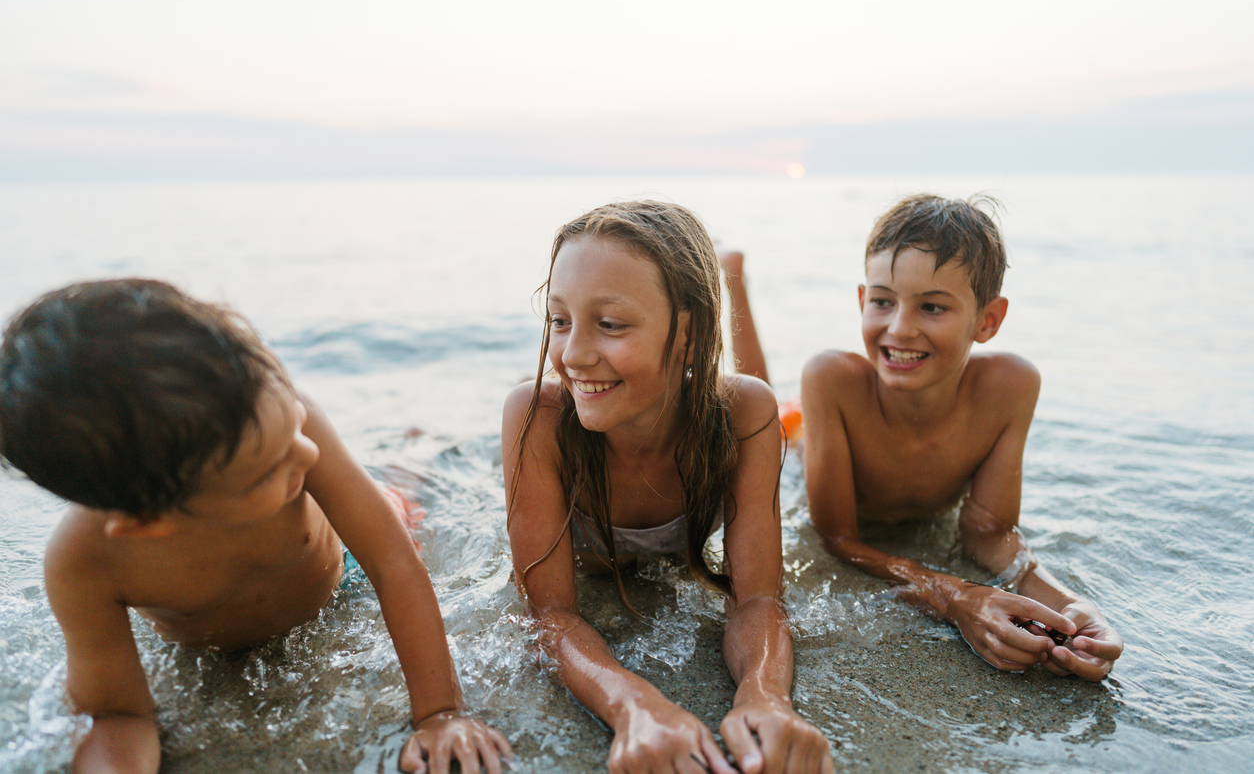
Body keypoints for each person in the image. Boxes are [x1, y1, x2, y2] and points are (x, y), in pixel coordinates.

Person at [0, 279, 512, 774]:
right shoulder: (84, 564)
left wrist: (440, 714)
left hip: (349, 566)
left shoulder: (295, 424)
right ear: (148, 523)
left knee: (400, 496)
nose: (307, 453)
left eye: (290, 424)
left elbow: (393, 562)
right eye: (269, 468)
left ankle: (414, 453)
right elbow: (118, 714)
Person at [722, 194, 1123, 682]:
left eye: (932, 307)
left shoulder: (1010, 387)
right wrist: (954, 596)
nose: (899, 328)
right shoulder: (833, 379)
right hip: (808, 434)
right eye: (882, 301)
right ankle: (733, 279)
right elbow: (838, 537)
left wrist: (1072, 605)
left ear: (988, 321)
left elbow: (991, 535)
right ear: (861, 301)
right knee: (759, 410)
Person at [502, 202, 833, 774]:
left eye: (609, 324)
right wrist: (635, 706)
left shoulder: (745, 414)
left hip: (709, 401)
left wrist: (764, 695)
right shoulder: (540, 416)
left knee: (761, 397)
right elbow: (550, 615)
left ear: (688, 331)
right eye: (559, 320)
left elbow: (756, 598)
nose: (573, 354)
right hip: (584, 550)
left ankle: (734, 276)